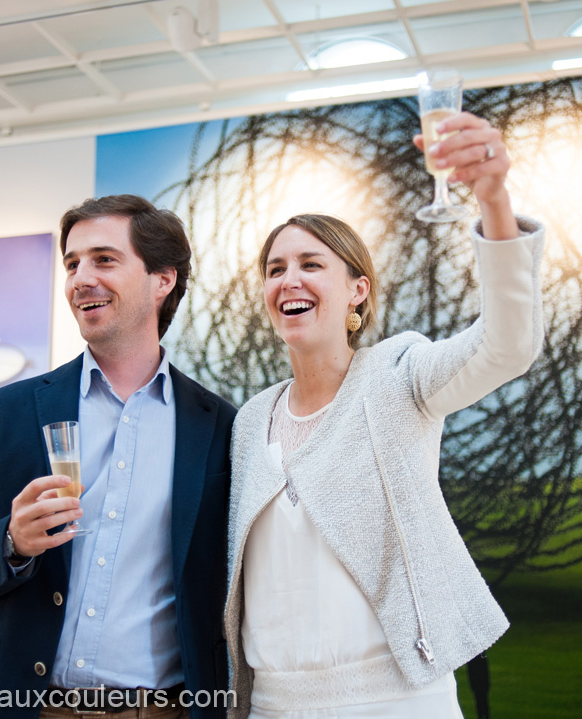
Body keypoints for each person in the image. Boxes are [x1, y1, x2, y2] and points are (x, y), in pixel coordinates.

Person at [223, 112, 546, 718]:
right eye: (275, 269)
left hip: (397, 700)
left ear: (358, 290)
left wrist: (494, 198)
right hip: (269, 706)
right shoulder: (249, 422)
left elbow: (507, 345)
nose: (289, 278)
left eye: (311, 264)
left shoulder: (400, 375)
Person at [0, 195, 237, 719]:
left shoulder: (219, 427)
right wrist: (10, 542)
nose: (80, 279)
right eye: (72, 264)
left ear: (162, 279)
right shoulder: (10, 412)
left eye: (104, 259)